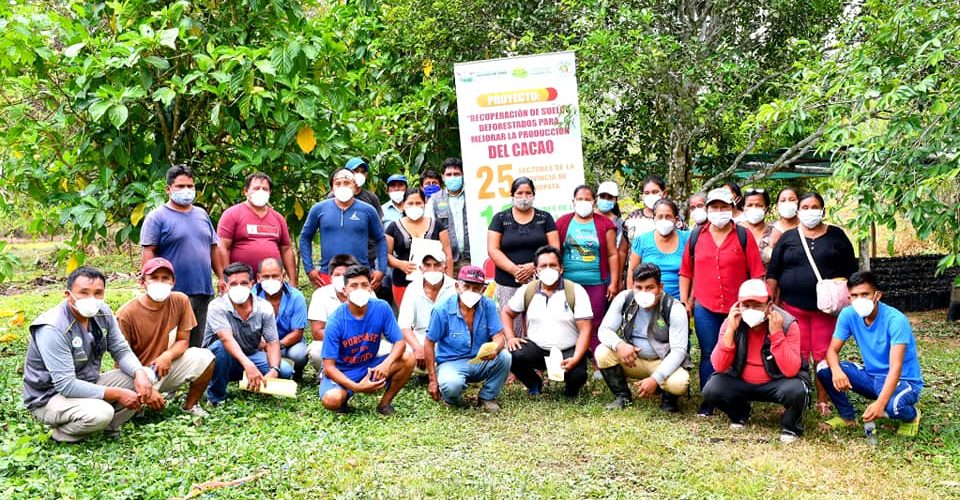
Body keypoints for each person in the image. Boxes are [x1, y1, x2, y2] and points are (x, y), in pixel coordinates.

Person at [23, 267, 164, 442]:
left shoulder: (102, 312)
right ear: (68, 295)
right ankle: (60, 434)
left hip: (86, 382)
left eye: (98, 293)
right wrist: (118, 394)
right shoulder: (52, 328)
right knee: (101, 412)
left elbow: (121, 350)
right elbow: (66, 385)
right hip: (49, 397)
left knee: (146, 377)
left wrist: (139, 373)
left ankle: (110, 426)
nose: (92, 299)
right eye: (84, 292)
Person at [766, 191, 858, 415]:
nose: (810, 211)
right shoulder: (788, 238)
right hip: (793, 308)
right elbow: (773, 273)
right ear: (798, 211)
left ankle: (823, 399)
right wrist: (769, 299)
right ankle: (795, 396)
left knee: (824, 355)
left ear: (823, 210)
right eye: (805, 207)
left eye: (814, 206)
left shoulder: (837, 236)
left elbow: (852, 272)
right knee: (795, 354)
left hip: (825, 311)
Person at [679, 188, 765, 416]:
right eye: (714, 208)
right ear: (707, 210)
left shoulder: (744, 236)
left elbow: (757, 274)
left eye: (724, 207)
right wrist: (685, 301)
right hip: (705, 306)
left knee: (737, 352)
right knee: (709, 353)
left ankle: (736, 398)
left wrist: (756, 303)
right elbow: (686, 272)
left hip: (737, 308)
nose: (719, 212)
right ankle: (708, 399)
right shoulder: (696, 236)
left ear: (732, 208)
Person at [701, 279, 808, 444]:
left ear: (769, 306)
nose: (751, 310)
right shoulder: (732, 321)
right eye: (746, 305)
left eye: (757, 305)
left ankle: (790, 426)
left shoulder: (787, 323)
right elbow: (719, 366)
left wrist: (777, 334)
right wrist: (730, 330)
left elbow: (791, 370)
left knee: (796, 390)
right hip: (741, 380)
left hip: (777, 381)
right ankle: (740, 414)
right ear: (738, 305)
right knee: (712, 388)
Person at [817, 271, 923, 436]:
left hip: (903, 381)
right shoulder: (848, 314)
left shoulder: (896, 320)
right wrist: (837, 371)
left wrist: (880, 404)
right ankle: (847, 418)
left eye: (865, 294)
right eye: (854, 295)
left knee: (893, 407)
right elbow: (832, 351)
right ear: (849, 298)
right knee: (824, 368)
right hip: (872, 377)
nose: (859, 300)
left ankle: (912, 416)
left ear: (877, 296)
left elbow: (896, 367)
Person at [116, 258, 215, 418]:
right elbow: (120, 359)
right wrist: (144, 383)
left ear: (173, 281)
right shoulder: (126, 313)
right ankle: (142, 400)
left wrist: (167, 356)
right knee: (128, 415)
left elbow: (184, 340)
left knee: (205, 357)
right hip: (138, 374)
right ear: (142, 282)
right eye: (154, 278)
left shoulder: (180, 301)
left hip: (166, 367)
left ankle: (190, 405)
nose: (160, 283)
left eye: (165, 278)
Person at [141, 164, 223, 347]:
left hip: (203, 291)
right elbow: (149, 252)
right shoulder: (157, 217)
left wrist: (221, 277)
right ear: (168, 189)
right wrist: (150, 283)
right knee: (172, 341)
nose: (186, 190)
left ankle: (195, 376)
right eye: (180, 186)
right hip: (174, 292)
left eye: (190, 186)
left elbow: (213, 247)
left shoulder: (201, 214)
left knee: (198, 342)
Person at [318, 265, 415, 415]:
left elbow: (399, 342)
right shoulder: (335, 321)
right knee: (332, 400)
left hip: (370, 366)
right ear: (344, 290)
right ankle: (343, 399)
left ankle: (384, 404)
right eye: (354, 286)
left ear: (370, 288)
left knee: (408, 358)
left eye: (364, 285)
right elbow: (329, 368)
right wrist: (357, 387)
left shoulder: (381, 308)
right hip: (343, 371)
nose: (360, 289)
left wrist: (385, 365)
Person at [596, 263, 691, 412]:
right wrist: (620, 345)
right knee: (602, 352)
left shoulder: (674, 307)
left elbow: (679, 351)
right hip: (633, 360)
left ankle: (668, 401)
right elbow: (604, 330)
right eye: (639, 288)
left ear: (660, 287)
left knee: (680, 383)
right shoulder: (624, 298)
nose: (643, 292)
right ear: (632, 286)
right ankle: (622, 396)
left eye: (649, 287)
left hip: (661, 361)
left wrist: (655, 378)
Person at [501, 246, 592, 397]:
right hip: (537, 349)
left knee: (578, 374)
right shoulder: (528, 290)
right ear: (536, 270)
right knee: (512, 354)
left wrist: (575, 358)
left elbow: (585, 329)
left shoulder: (575, 291)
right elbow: (506, 312)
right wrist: (510, 337)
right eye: (543, 266)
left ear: (561, 269)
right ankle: (534, 383)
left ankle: (571, 391)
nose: (548, 269)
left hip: (567, 350)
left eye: (553, 265)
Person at [424, 266, 511, 412]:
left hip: (481, 360)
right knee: (451, 385)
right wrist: (432, 380)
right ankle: (453, 399)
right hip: (451, 362)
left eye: (476, 288)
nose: (471, 291)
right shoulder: (442, 309)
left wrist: (495, 349)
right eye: (467, 286)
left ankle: (487, 396)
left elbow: (499, 336)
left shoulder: (488, 305)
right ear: (457, 286)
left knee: (505, 357)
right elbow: (429, 343)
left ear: (483, 290)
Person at [487, 177, 559, 337]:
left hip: (541, 280)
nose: (524, 197)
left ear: (534, 194)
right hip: (507, 282)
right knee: (513, 325)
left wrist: (533, 267)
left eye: (528, 193)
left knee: (541, 322)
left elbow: (554, 248)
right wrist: (515, 270)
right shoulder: (500, 219)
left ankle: (541, 357)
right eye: (519, 193)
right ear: (512, 195)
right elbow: (493, 249)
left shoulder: (545, 218)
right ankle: (516, 358)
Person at [203, 262, 282, 405]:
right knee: (221, 348)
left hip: (249, 355)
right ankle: (216, 397)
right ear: (226, 286)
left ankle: (251, 383)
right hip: (219, 358)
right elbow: (226, 339)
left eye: (244, 283)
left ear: (252, 283)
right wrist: (248, 365)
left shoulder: (264, 307)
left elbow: (272, 342)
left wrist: (274, 369)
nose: (239, 287)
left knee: (285, 371)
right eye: (233, 284)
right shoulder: (217, 306)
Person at [556, 185, 620, 355]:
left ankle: (598, 360)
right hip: (568, 282)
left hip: (596, 281)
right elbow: (555, 252)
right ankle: (573, 355)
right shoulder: (563, 222)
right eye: (580, 199)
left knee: (596, 319)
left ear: (594, 202)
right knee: (568, 319)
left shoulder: (605, 224)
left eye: (588, 199)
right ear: (573, 201)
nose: (583, 202)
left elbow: (613, 254)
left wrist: (613, 282)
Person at [300, 168, 387, 289]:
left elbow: (381, 239)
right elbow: (305, 237)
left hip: (361, 276)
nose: (342, 186)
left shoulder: (368, 210)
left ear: (355, 185)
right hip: (328, 275)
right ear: (332, 188)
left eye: (347, 183)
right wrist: (309, 269)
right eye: (338, 183)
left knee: (360, 307)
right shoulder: (319, 209)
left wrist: (381, 269)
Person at [216, 172, 297, 285]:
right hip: (241, 283)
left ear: (270, 192)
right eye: (256, 188)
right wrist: (225, 278)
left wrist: (293, 280)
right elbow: (223, 247)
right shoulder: (232, 214)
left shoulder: (278, 218)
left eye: (265, 189)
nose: (261, 192)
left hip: (271, 282)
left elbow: (286, 249)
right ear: (246, 191)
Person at [385, 187, 454, 305]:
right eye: (410, 203)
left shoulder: (437, 226)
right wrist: (400, 264)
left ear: (425, 203)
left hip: (435, 282)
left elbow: (447, 255)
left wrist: (450, 283)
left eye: (418, 203)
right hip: (403, 282)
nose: (414, 206)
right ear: (403, 205)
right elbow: (386, 254)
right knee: (407, 319)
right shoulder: (393, 227)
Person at [396, 250, 457, 369]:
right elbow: (404, 325)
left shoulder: (455, 287)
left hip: (448, 337)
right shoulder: (413, 288)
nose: (432, 269)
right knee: (403, 353)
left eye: (437, 265)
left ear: (444, 267)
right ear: (421, 268)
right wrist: (418, 348)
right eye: (428, 265)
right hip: (421, 337)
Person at [253, 258, 308, 380]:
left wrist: (276, 346)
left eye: (275, 276)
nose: (270, 280)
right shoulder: (251, 297)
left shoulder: (296, 297)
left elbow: (297, 333)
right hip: (261, 347)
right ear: (258, 278)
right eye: (266, 277)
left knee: (299, 355)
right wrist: (265, 346)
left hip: (288, 345)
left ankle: (296, 371)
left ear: (283, 276)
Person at [627, 199, 691, 299]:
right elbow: (632, 270)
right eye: (660, 217)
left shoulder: (687, 238)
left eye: (668, 216)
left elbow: (695, 271)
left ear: (676, 219)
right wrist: (631, 298)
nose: (664, 220)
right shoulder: (642, 240)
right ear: (654, 218)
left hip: (679, 300)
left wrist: (688, 301)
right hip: (647, 300)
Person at [306, 254, 358, 376]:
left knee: (385, 350)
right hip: (334, 343)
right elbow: (317, 333)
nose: (341, 278)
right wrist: (347, 340)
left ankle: (355, 371)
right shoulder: (320, 294)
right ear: (330, 277)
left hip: (362, 345)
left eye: (345, 275)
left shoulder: (366, 292)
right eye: (337, 275)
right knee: (316, 350)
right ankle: (334, 372)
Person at [425, 158, 471, 275]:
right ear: (443, 177)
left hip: (473, 260)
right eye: (449, 174)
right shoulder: (434, 200)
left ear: (463, 175)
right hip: (448, 263)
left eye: (456, 174)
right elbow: (429, 232)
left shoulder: (473, 195)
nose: (453, 177)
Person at [624, 174, 685, 243]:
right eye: (646, 193)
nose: (650, 195)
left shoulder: (674, 219)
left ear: (664, 194)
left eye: (655, 192)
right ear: (642, 196)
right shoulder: (633, 217)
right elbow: (624, 248)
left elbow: (684, 243)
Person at [596, 181, 631, 290]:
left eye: (609, 197)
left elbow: (620, 252)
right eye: (603, 196)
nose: (605, 200)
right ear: (597, 197)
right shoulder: (587, 217)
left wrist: (618, 280)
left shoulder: (619, 223)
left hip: (609, 271)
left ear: (615, 200)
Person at [741, 188, 775, 265]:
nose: (753, 208)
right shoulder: (735, 231)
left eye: (758, 205)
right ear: (743, 208)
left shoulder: (774, 233)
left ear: (767, 209)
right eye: (749, 205)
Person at [768, 187, 800, 253]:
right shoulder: (768, 229)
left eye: (792, 200)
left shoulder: (807, 228)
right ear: (777, 207)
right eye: (783, 200)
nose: (787, 203)